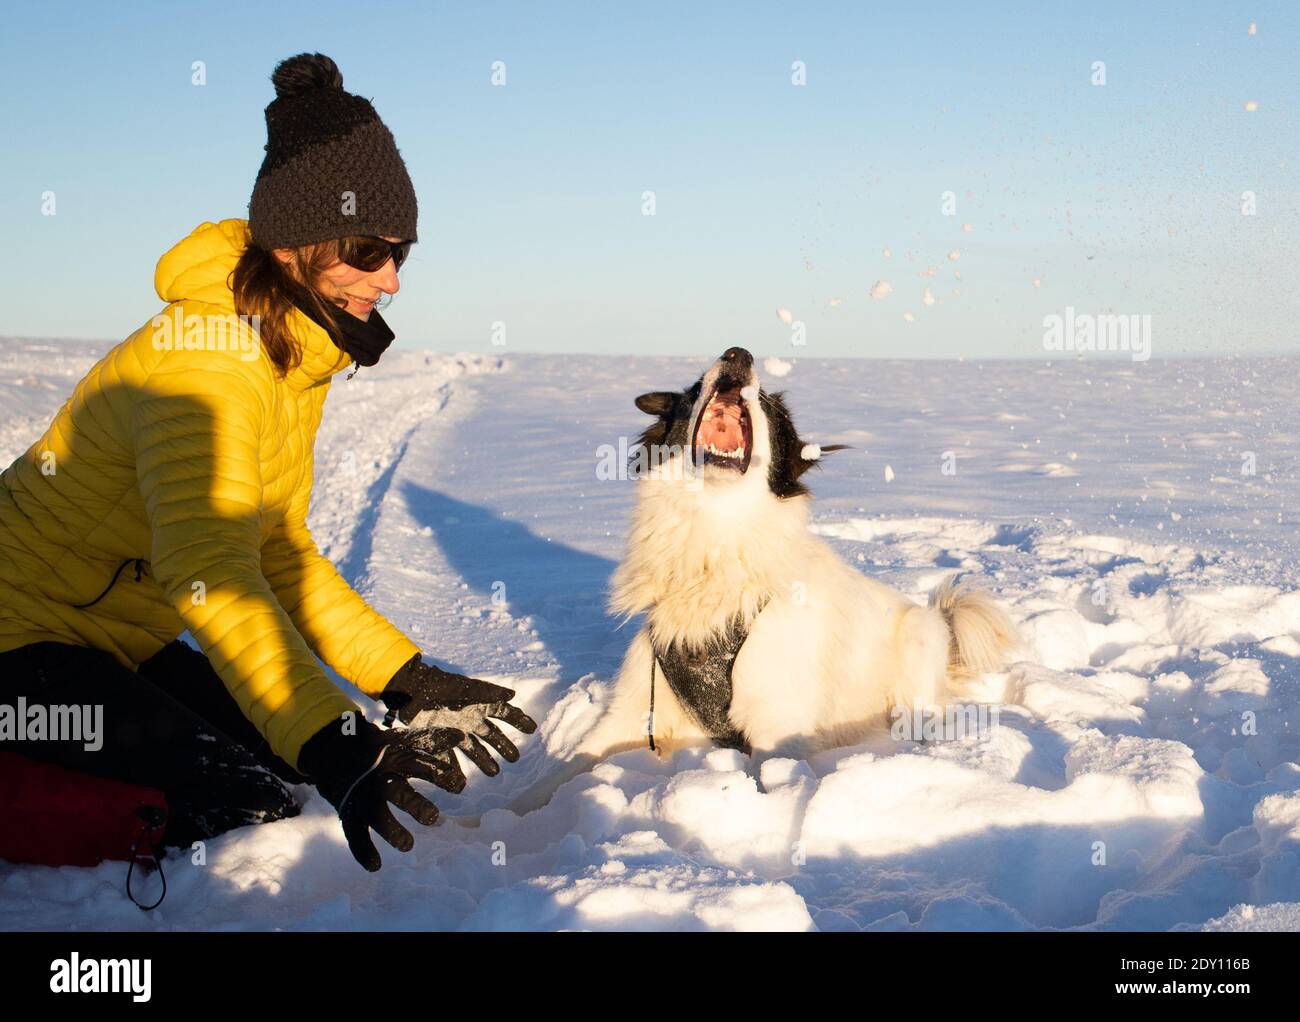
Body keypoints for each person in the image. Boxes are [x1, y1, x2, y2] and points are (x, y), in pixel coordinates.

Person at [0, 53, 534, 874]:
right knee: (240, 802)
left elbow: (276, 550)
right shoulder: (208, 361)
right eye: (367, 250)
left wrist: (406, 679)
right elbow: (209, 567)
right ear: (292, 249)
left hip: (105, 638)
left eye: (401, 253)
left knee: (289, 772)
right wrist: (336, 739)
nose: (389, 280)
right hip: (15, 643)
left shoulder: (289, 354)